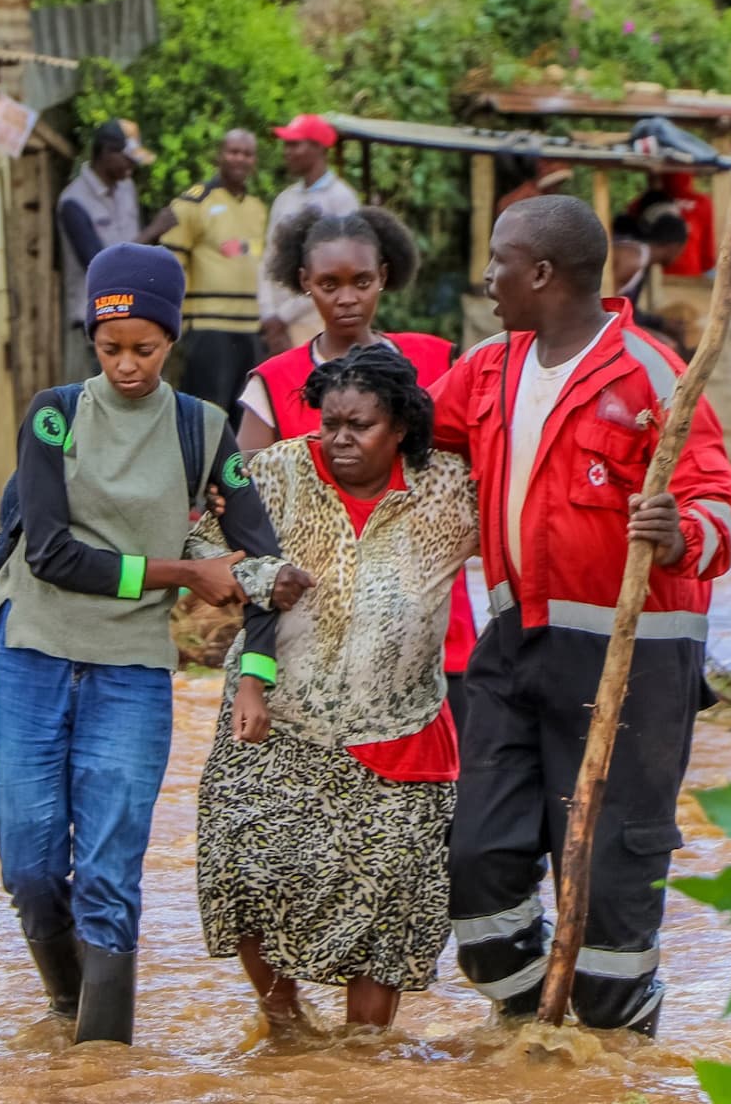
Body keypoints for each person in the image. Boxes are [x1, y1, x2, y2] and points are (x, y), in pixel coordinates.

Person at [430, 195, 731, 1036]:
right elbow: (418, 433)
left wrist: (681, 533)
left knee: (611, 880)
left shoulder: (652, 375)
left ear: (541, 273)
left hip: (631, 661)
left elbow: (724, 509)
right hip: (513, 646)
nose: (486, 278)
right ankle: (530, 1030)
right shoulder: (487, 368)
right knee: (477, 858)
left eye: (498, 261)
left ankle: (611, 1054)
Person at [0, 243, 307, 1045]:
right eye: (110, 348)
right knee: (28, 865)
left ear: (172, 339)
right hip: (32, 650)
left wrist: (256, 669)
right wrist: (184, 572)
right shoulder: (54, 415)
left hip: (130, 671)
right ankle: (69, 1006)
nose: (127, 366)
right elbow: (51, 554)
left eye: (145, 349)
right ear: (92, 339)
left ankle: (100, 1062)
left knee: (110, 872)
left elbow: (259, 566)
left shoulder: (203, 429)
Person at [195, 345, 476, 1029]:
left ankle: (364, 1056)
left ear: (400, 428)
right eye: (330, 424)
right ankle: (284, 1022)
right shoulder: (277, 471)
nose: (340, 439)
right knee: (246, 873)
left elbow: (523, 534)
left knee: (387, 904)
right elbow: (203, 542)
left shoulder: (449, 485)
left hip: (397, 728)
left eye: (361, 426)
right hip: (275, 715)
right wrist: (260, 577)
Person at [237, 206, 486, 735]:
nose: (347, 298)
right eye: (329, 283)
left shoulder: (439, 363)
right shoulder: (274, 383)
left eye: (362, 281)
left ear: (385, 276)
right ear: (304, 281)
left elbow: (477, 480)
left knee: (447, 780)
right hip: (312, 643)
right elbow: (242, 505)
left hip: (434, 638)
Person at [148, 129, 269, 418]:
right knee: (207, 414)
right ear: (219, 156)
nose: (240, 159)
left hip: (250, 329)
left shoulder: (258, 208)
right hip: (208, 327)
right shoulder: (192, 203)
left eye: (247, 154)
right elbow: (172, 266)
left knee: (245, 414)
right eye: (233, 152)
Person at [58, 119, 153, 382]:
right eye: (127, 158)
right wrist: (153, 231)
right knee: (108, 395)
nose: (131, 166)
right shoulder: (74, 201)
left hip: (131, 313)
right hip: (97, 320)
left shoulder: (126, 188)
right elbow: (98, 266)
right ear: (107, 153)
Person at [257, 114, 359, 353]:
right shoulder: (285, 199)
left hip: (320, 323)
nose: (287, 152)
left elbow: (341, 269)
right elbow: (269, 258)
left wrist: (284, 316)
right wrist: (269, 315)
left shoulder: (341, 199)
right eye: (286, 145)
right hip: (278, 329)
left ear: (319, 148)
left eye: (295, 145)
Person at [613, 198, 690, 351]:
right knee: (667, 346)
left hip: (609, 322)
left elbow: (628, 309)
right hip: (597, 326)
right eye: (681, 250)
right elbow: (608, 309)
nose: (679, 256)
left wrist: (662, 323)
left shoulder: (641, 258)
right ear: (674, 247)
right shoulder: (632, 261)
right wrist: (654, 335)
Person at [626, 173, 715, 278]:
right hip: (690, 276)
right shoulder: (703, 203)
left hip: (650, 276)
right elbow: (708, 257)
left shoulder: (638, 204)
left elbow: (630, 244)